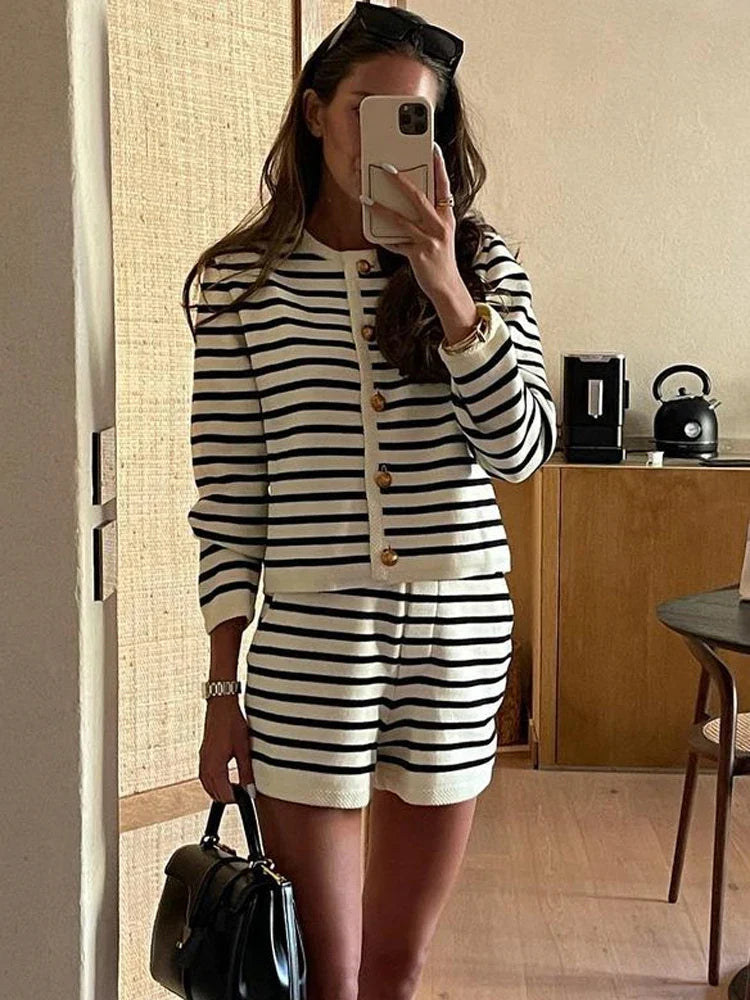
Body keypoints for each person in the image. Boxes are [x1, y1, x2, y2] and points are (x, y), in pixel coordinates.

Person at [182, 4, 557, 999]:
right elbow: (229, 497)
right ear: (315, 113)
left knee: (397, 964)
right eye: (363, 110)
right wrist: (222, 692)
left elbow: (522, 453)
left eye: (412, 118)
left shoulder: (483, 265)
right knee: (324, 974)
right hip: (313, 645)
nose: (383, 137)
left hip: (459, 641)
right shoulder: (239, 282)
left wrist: (445, 286)